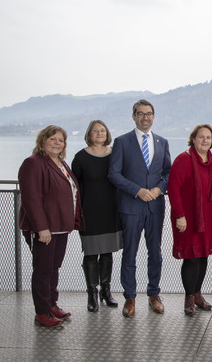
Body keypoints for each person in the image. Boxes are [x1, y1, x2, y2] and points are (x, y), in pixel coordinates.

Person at [108, 99, 172, 318]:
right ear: (133, 116)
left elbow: (168, 172)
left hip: (155, 206)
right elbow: (114, 174)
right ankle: (130, 297)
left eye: (149, 113)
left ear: (154, 116)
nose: (145, 117)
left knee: (155, 253)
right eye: (141, 113)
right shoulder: (122, 142)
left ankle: (154, 294)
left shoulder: (162, 142)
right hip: (131, 206)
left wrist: (158, 189)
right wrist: (137, 190)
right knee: (130, 253)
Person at [18, 125, 84, 327]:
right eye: (53, 139)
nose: (57, 143)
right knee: (43, 270)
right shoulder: (33, 163)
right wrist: (41, 228)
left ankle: (51, 304)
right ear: (43, 140)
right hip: (44, 229)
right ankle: (42, 313)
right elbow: (31, 199)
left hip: (61, 227)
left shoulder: (61, 162)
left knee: (54, 267)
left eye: (61, 140)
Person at [167, 124, 212, 316]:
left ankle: (198, 295)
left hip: (210, 218)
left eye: (208, 137)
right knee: (191, 258)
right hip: (189, 219)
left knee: (203, 256)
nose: (205, 140)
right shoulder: (183, 160)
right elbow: (173, 188)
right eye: (201, 137)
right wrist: (180, 215)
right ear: (193, 139)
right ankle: (189, 297)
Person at [72, 120, 123, 313]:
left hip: (112, 211)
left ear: (107, 133)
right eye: (95, 131)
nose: (99, 133)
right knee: (91, 253)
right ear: (89, 134)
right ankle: (92, 293)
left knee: (108, 252)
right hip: (89, 212)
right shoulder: (81, 157)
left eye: (102, 130)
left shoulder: (115, 154)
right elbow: (74, 187)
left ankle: (106, 291)